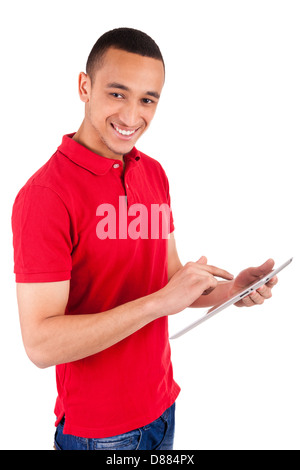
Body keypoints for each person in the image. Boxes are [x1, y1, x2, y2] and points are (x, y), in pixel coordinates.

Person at [11, 27, 278, 451]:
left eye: (147, 99)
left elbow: (168, 281)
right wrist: (159, 304)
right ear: (85, 86)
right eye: (117, 94)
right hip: (100, 433)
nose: (132, 116)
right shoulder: (45, 196)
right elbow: (40, 345)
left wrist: (230, 290)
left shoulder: (152, 173)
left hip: (162, 409)